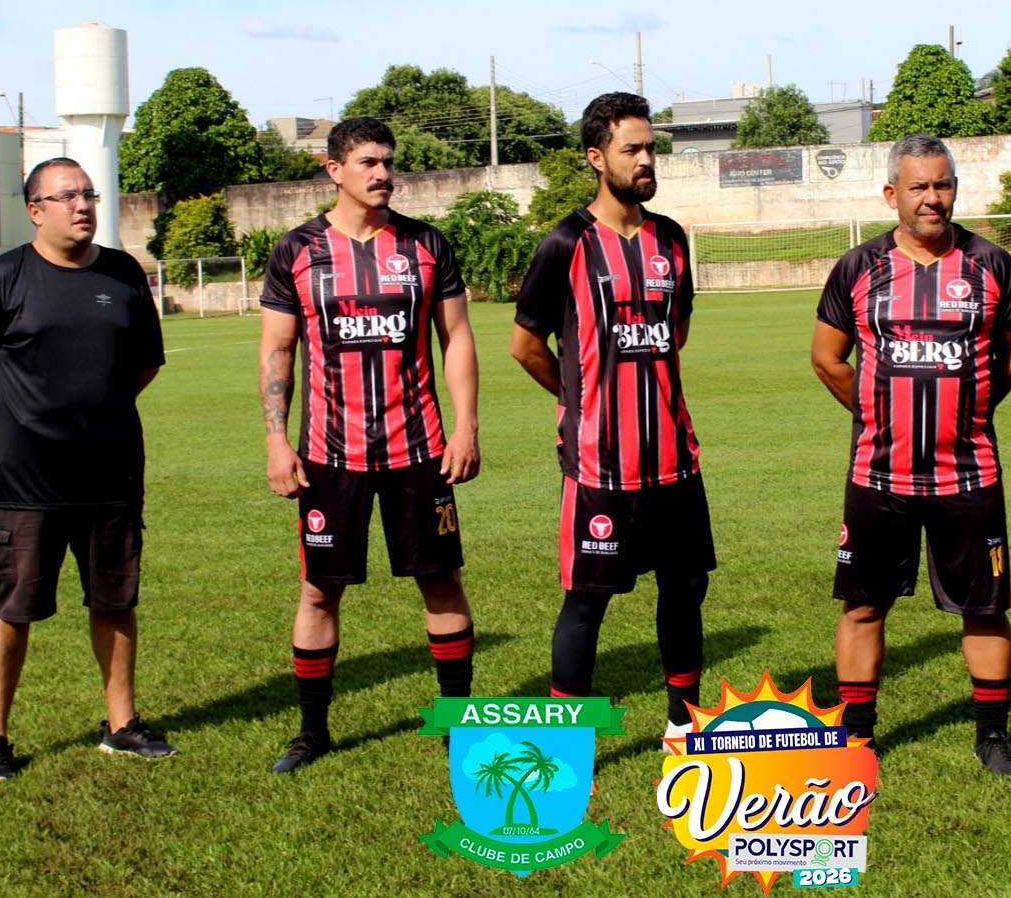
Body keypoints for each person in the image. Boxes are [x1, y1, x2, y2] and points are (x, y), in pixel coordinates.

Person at [0, 157, 173, 784]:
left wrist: (93, 418)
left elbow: (144, 365)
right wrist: (12, 430)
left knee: (115, 599)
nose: (82, 205)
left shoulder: (124, 273)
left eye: (89, 194)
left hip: (110, 475)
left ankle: (122, 725)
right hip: (23, 485)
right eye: (67, 196)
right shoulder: (4, 276)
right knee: (12, 605)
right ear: (35, 210)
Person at [259, 116, 480, 774]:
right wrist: (276, 441)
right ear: (334, 170)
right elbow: (277, 350)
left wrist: (466, 426)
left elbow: (457, 338)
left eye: (388, 161)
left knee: (441, 582)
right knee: (318, 590)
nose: (383, 173)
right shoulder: (297, 250)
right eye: (368, 163)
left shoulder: (426, 244)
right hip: (331, 455)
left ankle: (456, 724)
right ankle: (312, 732)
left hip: (420, 450)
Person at [811, 133, 1011, 775]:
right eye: (919, 187)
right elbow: (827, 358)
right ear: (893, 194)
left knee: (985, 605)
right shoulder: (858, 267)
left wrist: (974, 407)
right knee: (863, 605)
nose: (932, 198)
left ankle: (992, 735)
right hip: (879, 473)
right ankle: (856, 738)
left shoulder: (992, 265)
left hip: (970, 471)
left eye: (942, 185)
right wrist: (877, 412)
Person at [510, 91, 714, 742]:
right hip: (600, 463)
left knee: (684, 588)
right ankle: (566, 746)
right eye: (632, 149)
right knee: (587, 601)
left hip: (674, 458)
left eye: (651, 147)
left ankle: (683, 729)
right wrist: (577, 400)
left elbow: (676, 331)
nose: (646, 159)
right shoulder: (566, 242)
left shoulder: (671, 239)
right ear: (597, 158)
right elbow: (526, 344)